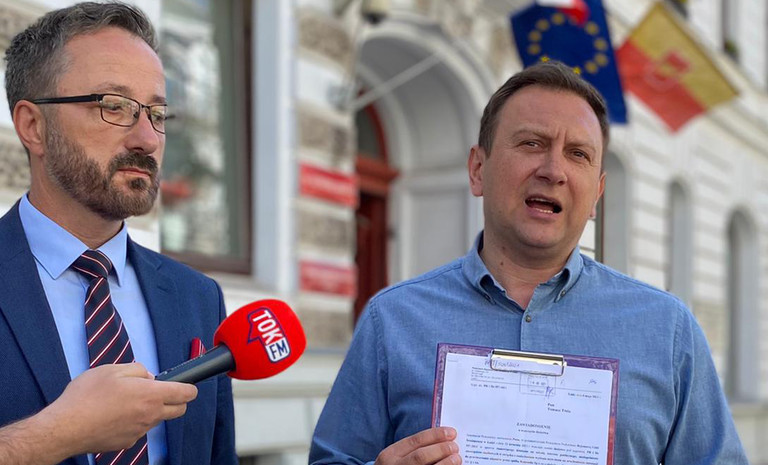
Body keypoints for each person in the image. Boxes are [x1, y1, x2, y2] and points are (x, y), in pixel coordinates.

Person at [309, 61, 748, 465]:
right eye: (532, 143)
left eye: (578, 154)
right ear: (477, 169)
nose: (553, 170)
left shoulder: (667, 330)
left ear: (596, 194)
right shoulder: (392, 319)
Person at [0, 2, 236, 465]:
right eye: (114, 106)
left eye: (157, 114)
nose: (147, 139)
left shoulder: (196, 297)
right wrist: (54, 435)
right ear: (33, 126)